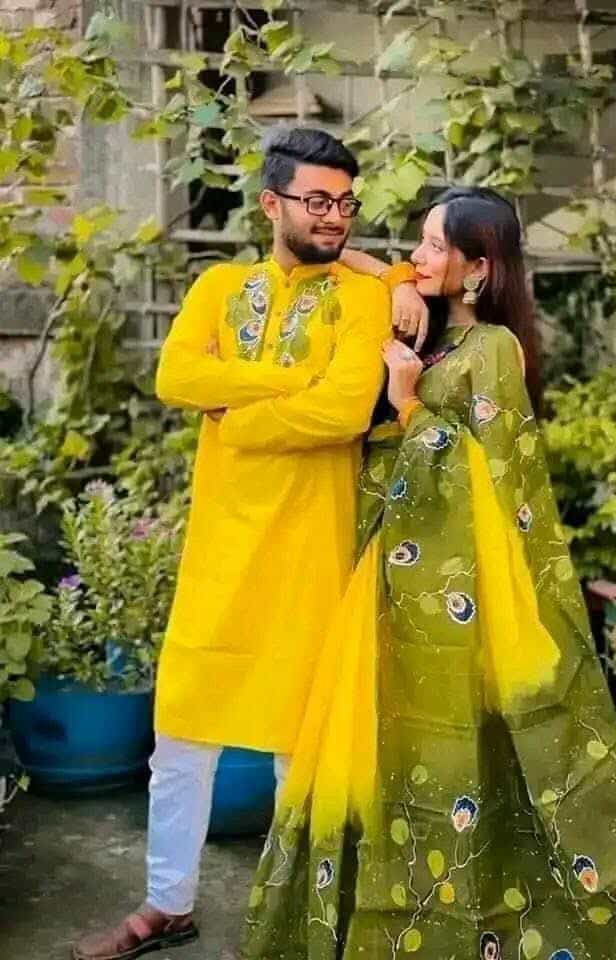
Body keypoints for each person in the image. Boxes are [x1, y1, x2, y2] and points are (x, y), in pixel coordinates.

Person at [242, 187, 616, 960]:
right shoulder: (428, 330)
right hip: (389, 579)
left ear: (480, 268)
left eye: (437, 246)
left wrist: (407, 405)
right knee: (386, 747)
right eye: (421, 240)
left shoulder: (493, 349)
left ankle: (477, 924)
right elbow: (348, 261)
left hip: (459, 594)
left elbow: (489, 476)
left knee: (463, 753)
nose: (419, 254)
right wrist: (399, 278)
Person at [72, 126, 421, 960]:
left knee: (296, 748)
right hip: (220, 552)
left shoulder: (363, 299)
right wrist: (294, 382)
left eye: (345, 202)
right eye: (318, 200)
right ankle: (167, 905)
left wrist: (239, 419)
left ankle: (293, 915)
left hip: (309, 548)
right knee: (181, 735)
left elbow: (345, 410)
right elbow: (177, 376)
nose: (335, 216)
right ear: (272, 203)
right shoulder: (219, 287)